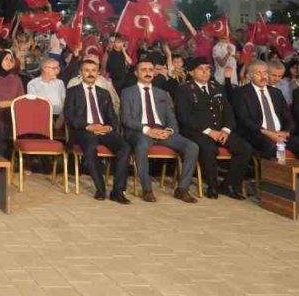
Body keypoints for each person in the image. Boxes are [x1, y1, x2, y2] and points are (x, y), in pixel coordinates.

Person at [119, 55, 199, 203]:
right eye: (143, 70)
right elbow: (126, 119)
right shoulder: (127, 92)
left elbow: (171, 118)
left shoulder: (162, 94)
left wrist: (168, 131)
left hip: (162, 132)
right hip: (139, 132)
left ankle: (182, 189)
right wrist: (148, 130)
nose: (148, 72)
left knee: (192, 146)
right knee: (142, 146)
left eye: (151, 69)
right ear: (136, 73)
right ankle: (147, 189)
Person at [174, 57, 251, 200]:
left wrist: (226, 130)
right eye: (200, 69)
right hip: (197, 131)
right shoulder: (184, 89)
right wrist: (209, 131)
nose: (205, 72)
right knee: (209, 148)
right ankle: (212, 186)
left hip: (221, 131)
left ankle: (229, 184)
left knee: (245, 148)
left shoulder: (217, 87)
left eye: (208, 69)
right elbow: (184, 116)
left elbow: (228, 112)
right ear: (191, 72)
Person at [63, 58, 130, 203]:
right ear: (80, 73)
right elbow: (69, 116)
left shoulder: (104, 93)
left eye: (93, 70)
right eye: (87, 70)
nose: (90, 73)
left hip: (104, 130)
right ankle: (100, 189)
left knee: (124, 147)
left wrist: (109, 127)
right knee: (91, 145)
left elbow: (112, 117)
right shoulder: (73, 91)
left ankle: (118, 191)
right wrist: (88, 126)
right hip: (83, 130)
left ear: (98, 73)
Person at [232, 60, 299, 162]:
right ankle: (267, 174)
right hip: (257, 133)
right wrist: (269, 133)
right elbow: (244, 119)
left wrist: (286, 132)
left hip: (280, 134)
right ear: (250, 76)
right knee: (269, 146)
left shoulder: (276, 93)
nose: (263, 76)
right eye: (258, 73)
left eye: (265, 72)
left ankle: (296, 175)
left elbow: (288, 117)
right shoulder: (241, 93)